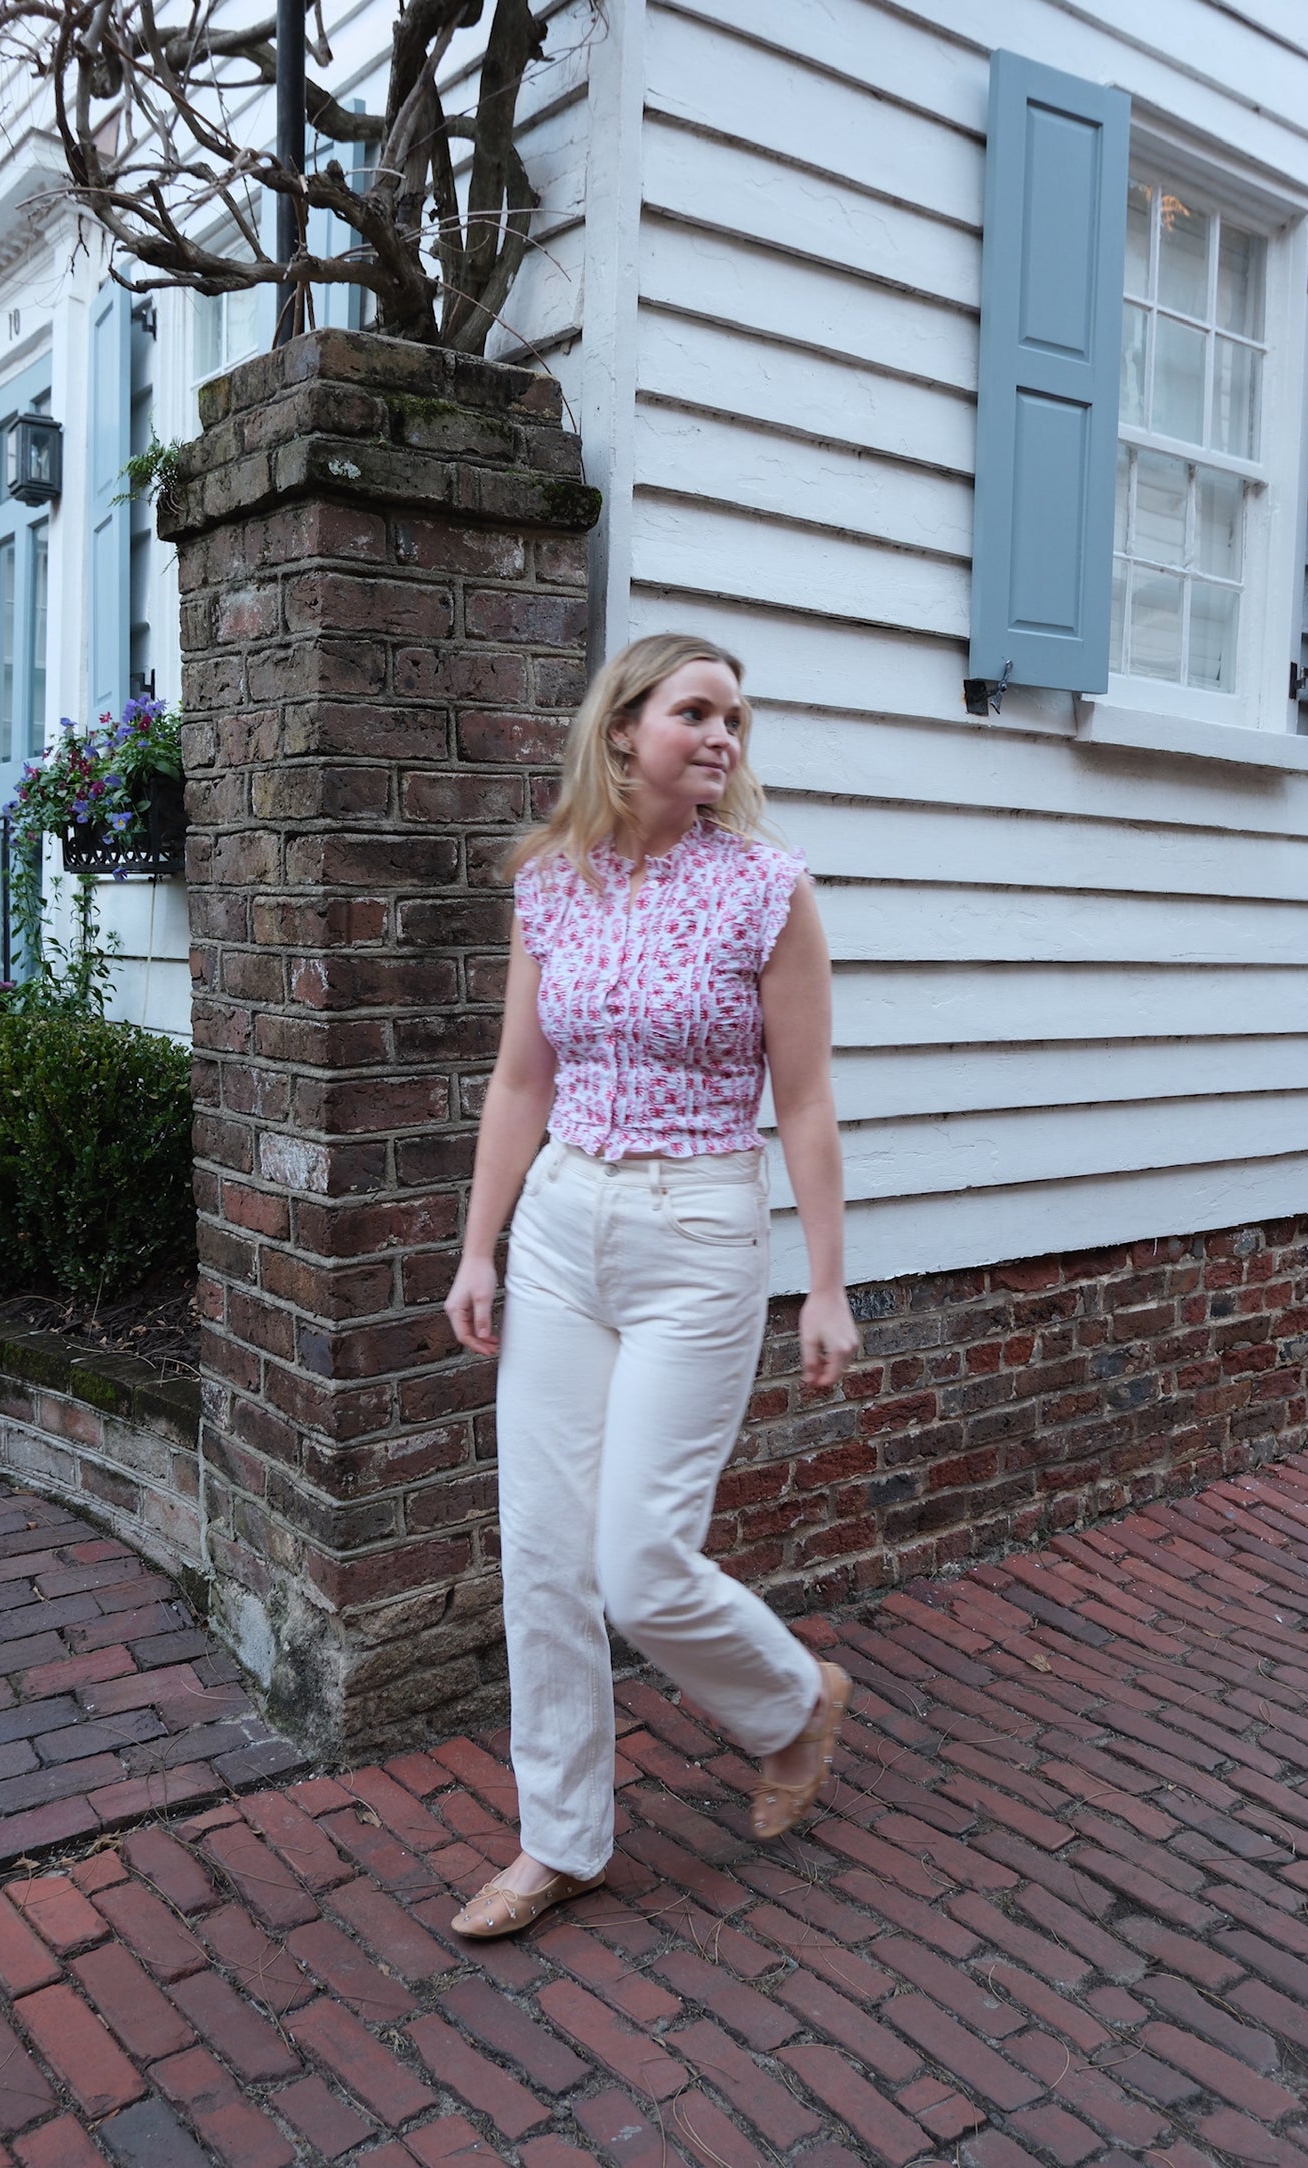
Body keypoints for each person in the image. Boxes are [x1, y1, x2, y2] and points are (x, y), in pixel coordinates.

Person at [442, 632, 860, 1939]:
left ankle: (791, 1703)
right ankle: (559, 1841)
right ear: (623, 729)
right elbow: (521, 1080)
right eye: (697, 710)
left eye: (735, 715)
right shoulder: (550, 885)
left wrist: (828, 1288)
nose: (724, 735)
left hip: (698, 1234)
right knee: (545, 1559)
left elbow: (803, 1105)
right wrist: (478, 1244)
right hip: (565, 1225)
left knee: (637, 1561)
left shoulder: (765, 891)